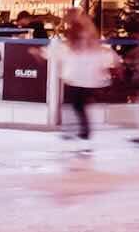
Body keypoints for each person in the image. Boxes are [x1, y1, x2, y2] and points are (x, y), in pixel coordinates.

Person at [46, 9, 116, 142]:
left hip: (80, 74)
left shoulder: (80, 29)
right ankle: (80, 129)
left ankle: (80, 129)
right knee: (77, 103)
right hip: (81, 74)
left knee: (76, 103)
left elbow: (75, 47)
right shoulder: (85, 28)